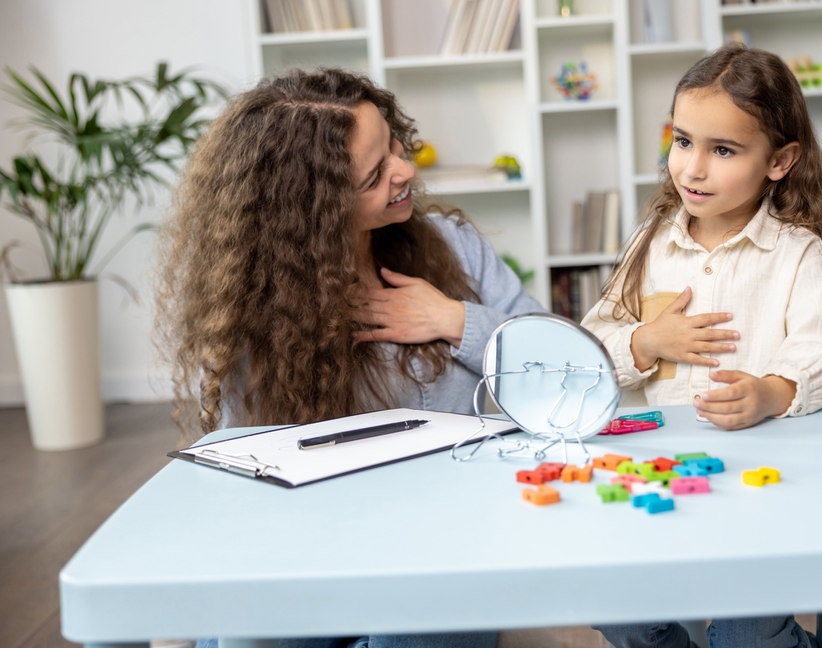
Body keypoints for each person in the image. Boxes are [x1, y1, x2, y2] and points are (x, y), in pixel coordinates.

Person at [155, 67, 542, 648]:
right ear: (313, 208)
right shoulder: (254, 304)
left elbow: (560, 369)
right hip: (313, 542)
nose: (405, 168)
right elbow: (254, 473)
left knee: (407, 632)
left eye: (393, 141)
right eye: (374, 174)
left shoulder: (455, 247)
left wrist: (455, 321)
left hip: (448, 536)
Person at [582, 43, 822, 647]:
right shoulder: (650, 244)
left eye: (724, 150)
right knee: (607, 600)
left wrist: (771, 391)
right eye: (682, 141)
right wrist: (644, 340)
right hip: (654, 476)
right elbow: (591, 345)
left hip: (757, 488)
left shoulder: (794, 252)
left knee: (745, 634)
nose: (692, 168)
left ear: (780, 161)